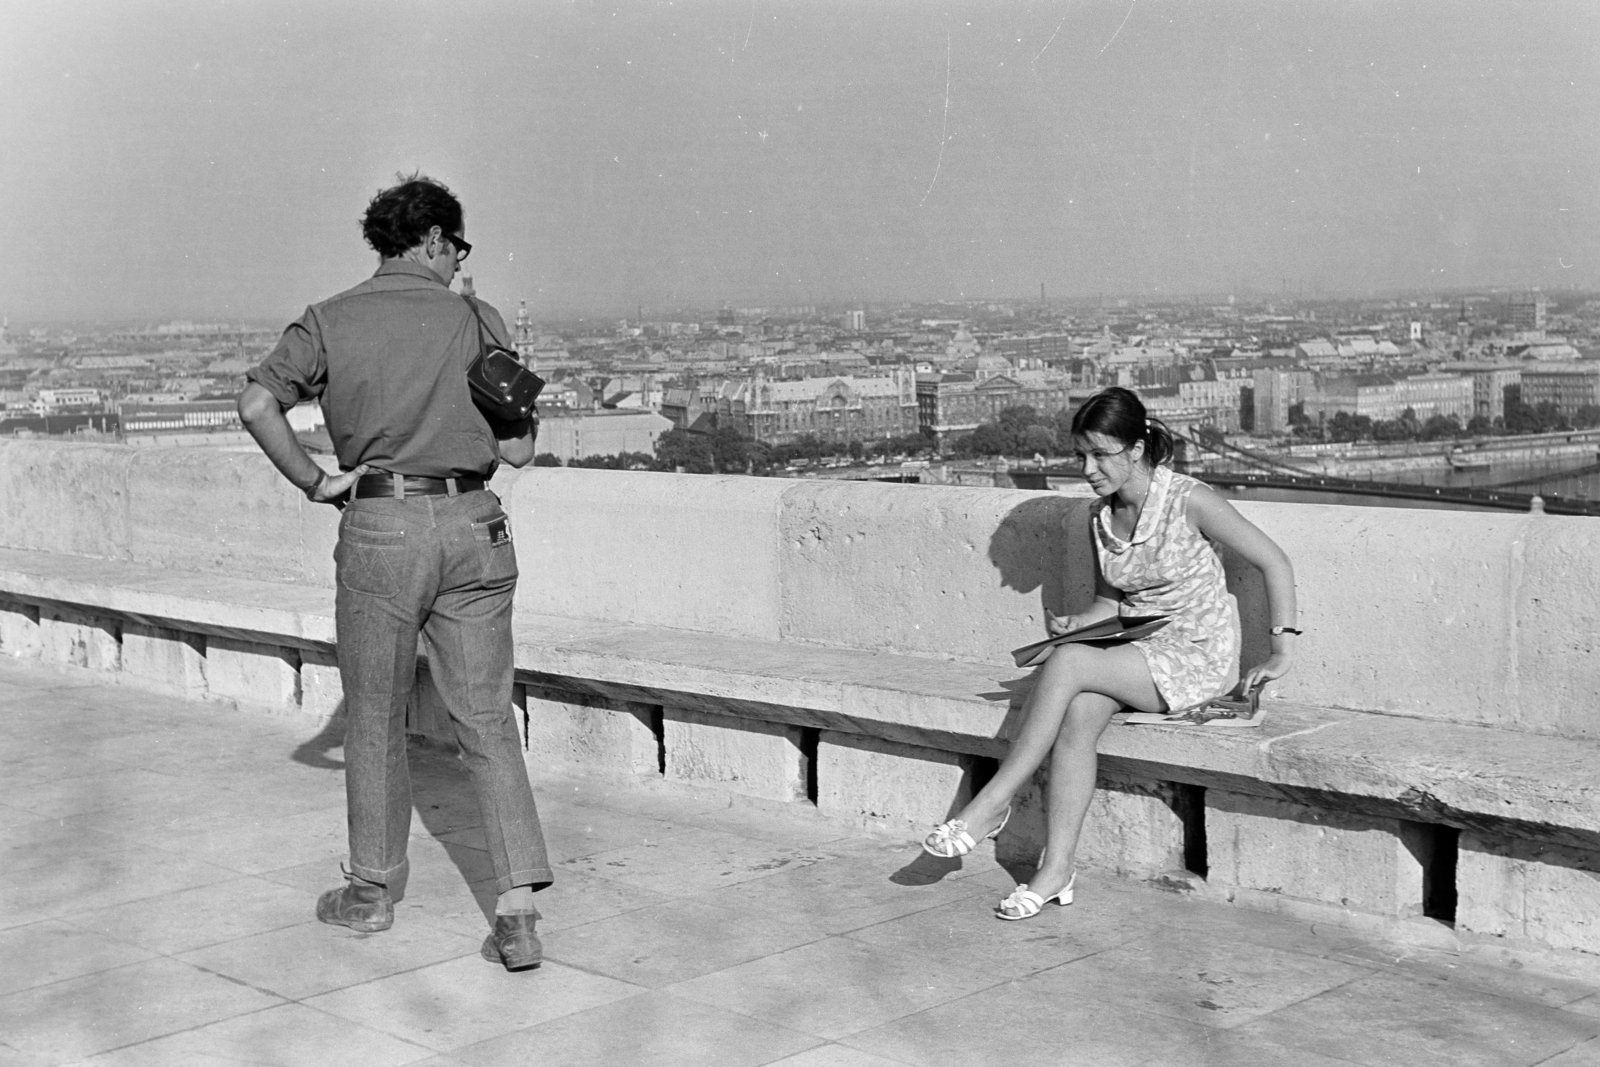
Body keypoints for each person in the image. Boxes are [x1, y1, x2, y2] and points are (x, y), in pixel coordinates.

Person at [237, 174, 552, 971]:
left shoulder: (328, 321)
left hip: (378, 524)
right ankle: (516, 911)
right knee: (485, 717)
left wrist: (314, 481)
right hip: (474, 527)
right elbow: (517, 449)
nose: (456, 263)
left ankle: (371, 894)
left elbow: (255, 406)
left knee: (374, 715)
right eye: (457, 249)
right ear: (437, 240)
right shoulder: (477, 319)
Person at [923, 386, 1298, 921]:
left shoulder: (1189, 499)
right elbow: (1111, 602)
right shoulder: (1100, 518)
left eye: (1100, 454)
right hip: (1138, 650)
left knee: (1070, 664)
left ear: (1136, 450)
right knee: (1077, 714)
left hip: (1195, 656)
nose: (1088, 468)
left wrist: (1281, 649)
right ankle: (1056, 872)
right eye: (1082, 455)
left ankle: (992, 803)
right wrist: (1080, 622)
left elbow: (1274, 562)